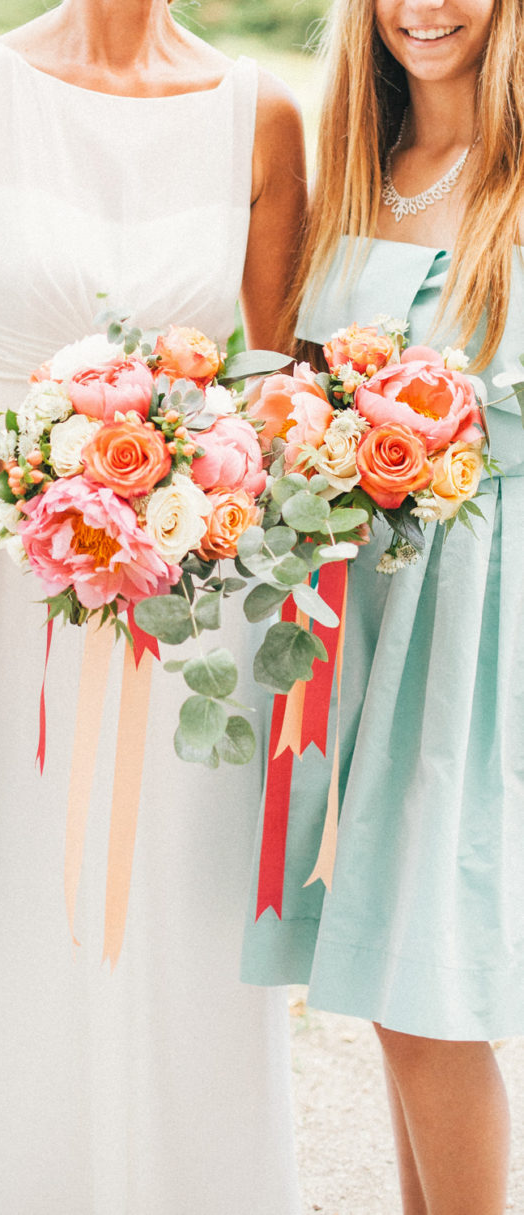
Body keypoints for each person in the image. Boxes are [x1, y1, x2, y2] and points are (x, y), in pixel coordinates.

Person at [0, 2, 307, 1212]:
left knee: (168, 916)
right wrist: (44, 485)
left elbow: (274, 373)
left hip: (182, 596)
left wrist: (179, 495)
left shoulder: (266, 115)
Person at [241, 0, 524, 1210]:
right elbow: (293, 390)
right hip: (364, 604)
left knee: (430, 988)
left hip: (483, 608)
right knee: (388, 980)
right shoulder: (356, 169)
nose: (428, 7)